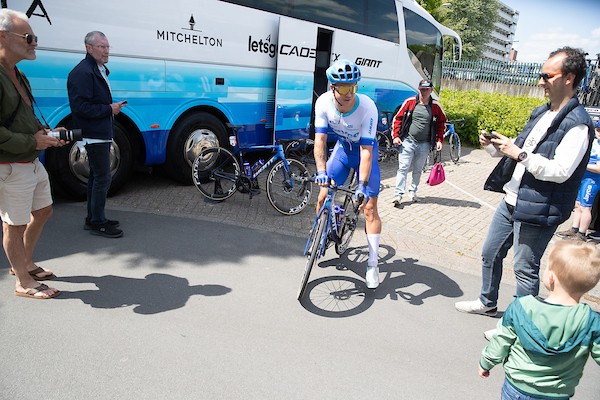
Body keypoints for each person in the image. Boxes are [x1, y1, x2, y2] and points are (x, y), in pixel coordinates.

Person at [455, 46, 594, 317]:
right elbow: (519, 150)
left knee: (525, 269)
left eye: (546, 74)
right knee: (490, 253)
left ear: (569, 78)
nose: (540, 80)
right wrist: (494, 147)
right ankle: (487, 302)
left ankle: (518, 326)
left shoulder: (578, 124)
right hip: (512, 200)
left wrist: (518, 153)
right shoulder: (541, 112)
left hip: (540, 208)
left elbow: (561, 171)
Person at [478, 240, 600, 400]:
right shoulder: (590, 321)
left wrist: (486, 363)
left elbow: (501, 340)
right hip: (557, 394)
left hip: (516, 388)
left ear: (550, 278)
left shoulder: (521, 307)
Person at [0, 9, 66, 298]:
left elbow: (22, 114)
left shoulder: (17, 73)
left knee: (43, 211)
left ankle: (23, 263)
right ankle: (23, 282)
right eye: (28, 37)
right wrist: (33, 141)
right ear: (2, 37)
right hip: (11, 163)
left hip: (30, 158)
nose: (34, 42)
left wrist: (46, 133)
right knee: (14, 224)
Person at [313, 59, 382, 289]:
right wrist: (321, 171)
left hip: (364, 153)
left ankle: (373, 264)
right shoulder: (323, 103)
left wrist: (362, 185)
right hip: (342, 151)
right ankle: (321, 235)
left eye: (353, 87)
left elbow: (366, 151)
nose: (349, 93)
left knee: (370, 208)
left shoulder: (367, 107)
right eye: (343, 88)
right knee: (323, 196)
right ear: (332, 87)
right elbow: (320, 142)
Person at [68, 31, 125, 238]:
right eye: (102, 46)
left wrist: (110, 108)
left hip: (99, 131)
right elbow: (81, 107)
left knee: (96, 176)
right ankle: (98, 222)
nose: (106, 50)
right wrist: (109, 109)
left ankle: (93, 218)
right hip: (94, 133)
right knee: (102, 177)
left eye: (107, 46)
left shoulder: (98, 70)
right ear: (89, 47)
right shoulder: (83, 72)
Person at [391, 79, 447, 205]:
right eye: (422, 89)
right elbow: (398, 119)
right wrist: (396, 136)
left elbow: (441, 123)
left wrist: (439, 140)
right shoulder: (410, 102)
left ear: (431, 90)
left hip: (425, 144)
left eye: (427, 89)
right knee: (403, 168)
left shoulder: (436, 106)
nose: (424, 92)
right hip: (408, 141)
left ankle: (412, 192)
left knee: (417, 169)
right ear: (418, 89)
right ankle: (398, 195)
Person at [556, 119, 600, 241]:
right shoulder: (594, 143)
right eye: (598, 130)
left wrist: (582, 164)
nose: (599, 133)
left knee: (586, 207)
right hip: (583, 178)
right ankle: (574, 229)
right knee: (578, 205)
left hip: (593, 180)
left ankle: (582, 233)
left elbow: (598, 168)